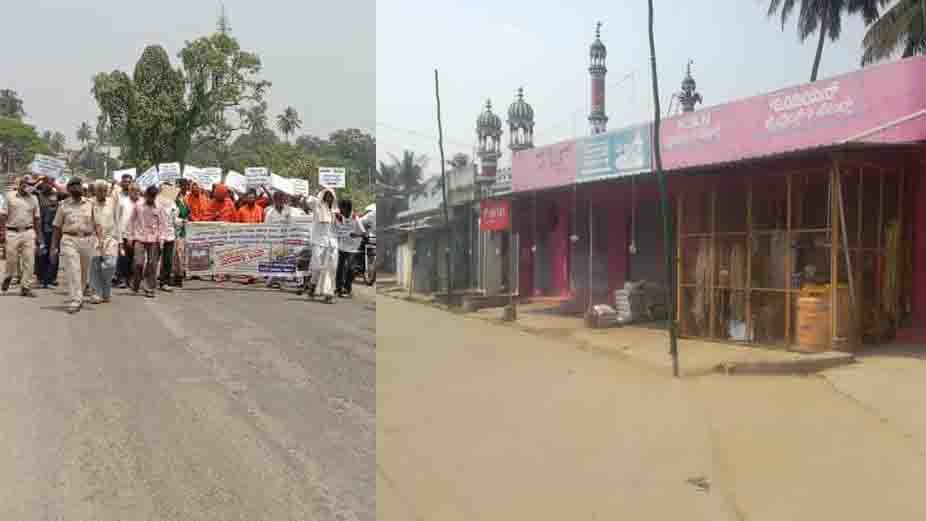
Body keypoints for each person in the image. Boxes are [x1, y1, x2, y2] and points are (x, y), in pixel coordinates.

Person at [51, 178, 95, 313]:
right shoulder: (63, 205)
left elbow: (98, 224)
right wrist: (54, 246)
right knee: (73, 269)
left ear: (82, 188)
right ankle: (75, 299)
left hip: (87, 240)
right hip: (69, 239)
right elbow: (57, 227)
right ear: (68, 189)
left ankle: (79, 295)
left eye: (78, 185)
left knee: (84, 271)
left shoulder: (91, 204)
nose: (76, 188)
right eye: (73, 185)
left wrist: (101, 242)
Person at [0, 175, 42, 296]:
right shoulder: (10, 196)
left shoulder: (34, 199)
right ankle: (8, 276)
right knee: (11, 259)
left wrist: (39, 236)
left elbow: (37, 218)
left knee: (29, 260)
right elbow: (3, 216)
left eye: (31, 185)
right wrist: (2, 232)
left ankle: (26, 287)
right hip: (12, 232)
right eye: (27, 184)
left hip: (29, 232)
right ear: (21, 184)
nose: (29, 187)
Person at [127, 185, 167, 298]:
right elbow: (131, 221)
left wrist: (162, 239)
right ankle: (135, 286)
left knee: (152, 264)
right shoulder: (138, 206)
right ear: (146, 195)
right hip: (139, 238)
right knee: (138, 263)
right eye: (150, 197)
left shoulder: (159, 207)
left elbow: (162, 224)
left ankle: (150, 288)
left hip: (154, 239)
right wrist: (130, 237)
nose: (151, 199)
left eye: (153, 197)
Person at [88, 180, 120, 304]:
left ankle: (106, 288)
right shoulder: (90, 203)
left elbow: (117, 220)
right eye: (100, 190)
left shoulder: (112, 202)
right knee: (95, 265)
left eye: (104, 190)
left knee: (110, 265)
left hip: (110, 238)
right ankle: (96, 292)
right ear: (95, 191)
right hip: (94, 237)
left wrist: (119, 239)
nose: (102, 192)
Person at [308, 187, 339, 303]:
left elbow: (341, 227)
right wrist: (318, 195)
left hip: (332, 244)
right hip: (318, 242)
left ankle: (328, 294)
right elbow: (309, 201)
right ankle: (312, 286)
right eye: (327, 196)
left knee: (331, 269)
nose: (329, 198)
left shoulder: (336, 212)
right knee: (317, 268)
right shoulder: (318, 207)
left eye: (331, 196)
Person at [336, 199, 365, 298]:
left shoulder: (355, 218)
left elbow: (363, 233)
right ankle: (338, 288)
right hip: (341, 246)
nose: (340, 210)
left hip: (353, 248)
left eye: (342, 208)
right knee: (339, 268)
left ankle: (347, 288)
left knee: (351, 268)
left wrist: (355, 235)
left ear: (347, 208)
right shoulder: (339, 217)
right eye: (340, 208)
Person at [35, 179, 60, 288]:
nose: (48, 185)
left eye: (50, 183)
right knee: (42, 254)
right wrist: (38, 180)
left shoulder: (57, 195)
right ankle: (41, 278)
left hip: (54, 230)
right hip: (41, 229)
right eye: (46, 183)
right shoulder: (38, 195)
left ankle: (51, 279)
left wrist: (55, 184)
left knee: (53, 253)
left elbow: (68, 193)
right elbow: (29, 190)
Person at [115, 183, 140, 288]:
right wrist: (118, 234)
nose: (136, 193)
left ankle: (131, 279)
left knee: (135, 259)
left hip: (138, 235)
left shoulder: (141, 202)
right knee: (123, 257)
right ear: (129, 191)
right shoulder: (122, 202)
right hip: (124, 233)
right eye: (134, 190)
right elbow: (117, 218)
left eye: (137, 191)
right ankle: (121, 279)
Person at [158, 183, 179, 293]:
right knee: (153, 260)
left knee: (167, 260)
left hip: (170, 236)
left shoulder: (173, 203)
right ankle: (149, 281)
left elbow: (175, 219)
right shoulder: (156, 202)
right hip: (157, 236)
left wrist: (181, 222)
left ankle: (164, 282)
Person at [172, 179, 191, 287]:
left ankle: (179, 274)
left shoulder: (183, 199)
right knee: (177, 254)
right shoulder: (173, 201)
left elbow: (187, 213)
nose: (184, 188)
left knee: (181, 254)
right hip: (176, 231)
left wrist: (187, 218)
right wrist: (181, 221)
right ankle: (177, 276)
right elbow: (172, 217)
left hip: (183, 231)